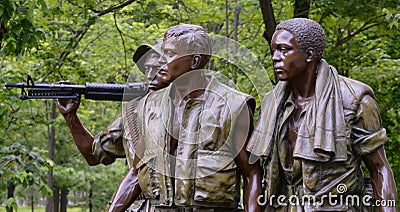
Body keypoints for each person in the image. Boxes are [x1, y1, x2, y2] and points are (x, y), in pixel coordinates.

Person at [247, 18, 397, 211]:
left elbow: (379, 169)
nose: (275, 57)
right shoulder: (272, 103)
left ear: (309, 54)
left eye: (284, 50)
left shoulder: (355, 99)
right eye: (274, 50)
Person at [112, 23, 262, 212]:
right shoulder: (149, 105)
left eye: (170, 54)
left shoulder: (233, 107)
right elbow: (135, 172)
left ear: (194, 61)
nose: (161, 61)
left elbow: (252, 174)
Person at [57, 39, 169, 211]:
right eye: (146, 68)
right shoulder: (133, 113)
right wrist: (71, 116)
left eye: (158, 68)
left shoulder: (199, 110)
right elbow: (94, 155)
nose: (149, 75)